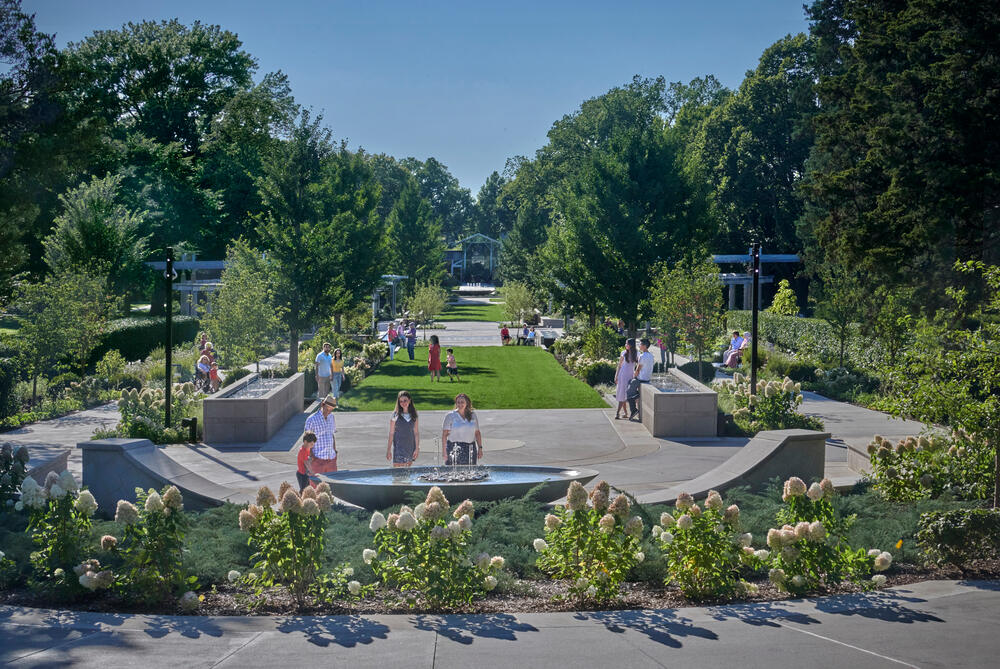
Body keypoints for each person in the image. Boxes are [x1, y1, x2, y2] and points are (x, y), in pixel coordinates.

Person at [441, 393, 482, 465]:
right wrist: (444, 452)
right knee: (453, 473)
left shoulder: (473, 415)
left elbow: (477, 433)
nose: (460, 404)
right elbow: (444, 435)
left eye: (462, 402)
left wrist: (480, 448)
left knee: (470, 473)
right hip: (454, 447)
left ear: (467, 403)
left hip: (470, 448)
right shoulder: (450, 415)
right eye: (458, 402)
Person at [304, 394, 339, 473]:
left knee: (333, 485)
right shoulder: (311, 419)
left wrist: (335, 452)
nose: (329, 412)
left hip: (331, 460)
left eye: (331, 410)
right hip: (317, 460)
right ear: (322, 405)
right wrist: (313, 457)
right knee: (316, 485)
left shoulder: (331, 417)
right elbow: (307, 440)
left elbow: (331, 435)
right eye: (327, 409)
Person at [386, 390, 420, 467]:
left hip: (410, 447)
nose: (403, 403)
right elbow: (391, 433)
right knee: (398, 474)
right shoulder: (395, 415)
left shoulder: (414, 414)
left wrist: (417, 448)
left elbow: (416, 433)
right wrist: (388, 450)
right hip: (399, 447)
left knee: (407, 473)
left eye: (405, 400)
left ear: (410, 400)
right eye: (401, 401)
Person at [630, 338, 655, 420]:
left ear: (644, 346)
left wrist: (634, 376)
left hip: (640, 379)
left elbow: (638, 369)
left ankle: (634, 410)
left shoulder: (642, 356)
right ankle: (637, 398)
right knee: (634, 393)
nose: (639, 346)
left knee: (628, 393)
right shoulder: (651, 356)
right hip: (647, 379)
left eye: (640, 344)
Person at [614, 339, 638, 420]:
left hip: (630, 376)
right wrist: (616, 376)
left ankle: (623, 413)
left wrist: (636, 374)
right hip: (622, 375)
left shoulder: (636, 354)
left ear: (631, 345)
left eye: (627, 343)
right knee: (622, 394)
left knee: (624, 394)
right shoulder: (623, 353)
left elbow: (639, 365)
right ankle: (619, 413)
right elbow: (619, 365)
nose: (625, 345)